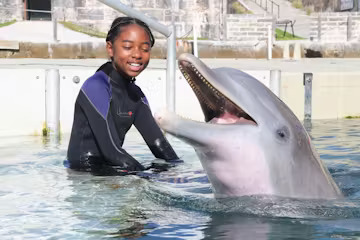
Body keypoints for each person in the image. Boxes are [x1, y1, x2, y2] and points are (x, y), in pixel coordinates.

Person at [66, 17, 180, 176]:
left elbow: (159, 144)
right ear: (110, 48)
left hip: (113, 168)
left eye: (145, 49)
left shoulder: (136, 96)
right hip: (86, 173)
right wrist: (144, 176)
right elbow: (110, 149)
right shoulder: (96, 86)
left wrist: (181, 171)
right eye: (128, 46)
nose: (137, 55)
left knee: (166, 174)